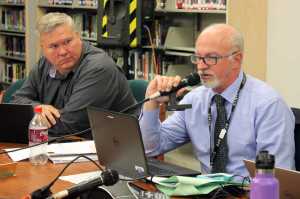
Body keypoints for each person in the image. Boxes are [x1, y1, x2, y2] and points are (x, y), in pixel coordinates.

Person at [139, 24, 295, 176]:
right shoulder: (194, 100)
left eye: (211, 58)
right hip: (208, 192)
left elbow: (276, 178)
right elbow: (150, 148)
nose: (201, 66)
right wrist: (152, 101)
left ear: (237, 59)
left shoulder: (268, 105)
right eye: (198, 58)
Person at [11, 12, 136, 136]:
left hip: (115, 145)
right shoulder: (44, 64)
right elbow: (16, 102)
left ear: (78, 36)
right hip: (66, 146)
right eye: (54, 46)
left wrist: (32, 120)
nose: (63, 51)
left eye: (67, 42)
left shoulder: (99, 67)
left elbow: (70, 124)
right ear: (42, 48)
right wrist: (37, 109)